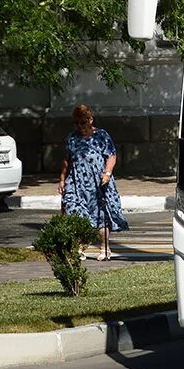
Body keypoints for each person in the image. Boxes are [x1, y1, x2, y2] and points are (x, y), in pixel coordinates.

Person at [58, 104, 128, 260]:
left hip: (97, 182)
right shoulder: (72, 138)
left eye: (83, 122)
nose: (80, 126)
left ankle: (104, 249)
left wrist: (107, 173)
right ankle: (80, 248)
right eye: (76, 123)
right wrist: (62, 179)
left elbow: (111, 155)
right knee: (74, 212)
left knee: (100, 214)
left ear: (90, 119)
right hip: (76, 181)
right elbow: (66, 160)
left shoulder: (101, 135)